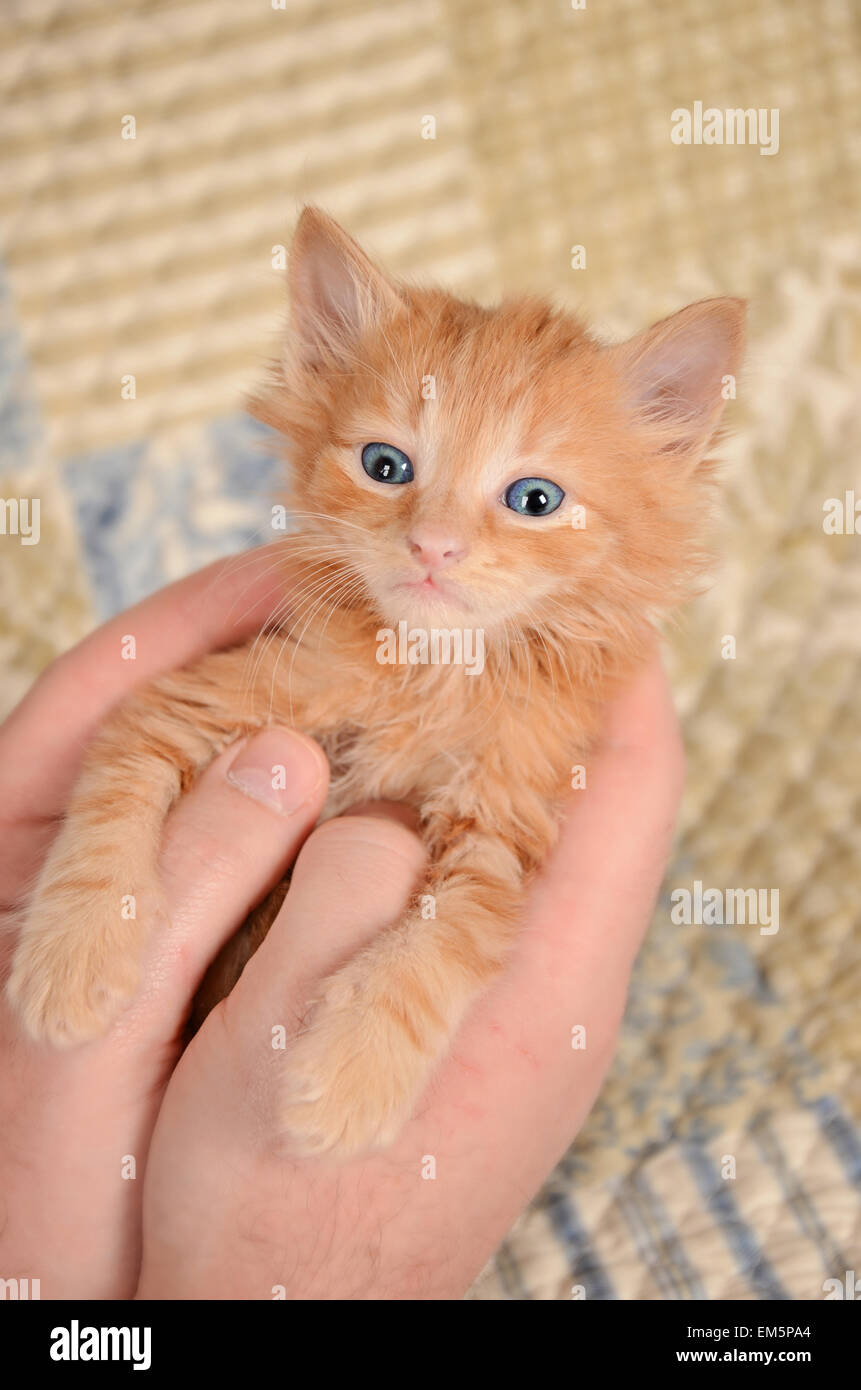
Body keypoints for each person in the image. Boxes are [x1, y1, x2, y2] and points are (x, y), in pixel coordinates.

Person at [0, 551, 684, 1300]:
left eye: (530, 498)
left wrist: (399, 1019)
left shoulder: (544, 710)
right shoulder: (319, 633)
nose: (435, 539)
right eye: (387, 466)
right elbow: (156, 730)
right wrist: (93, 892)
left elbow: (486, 877)